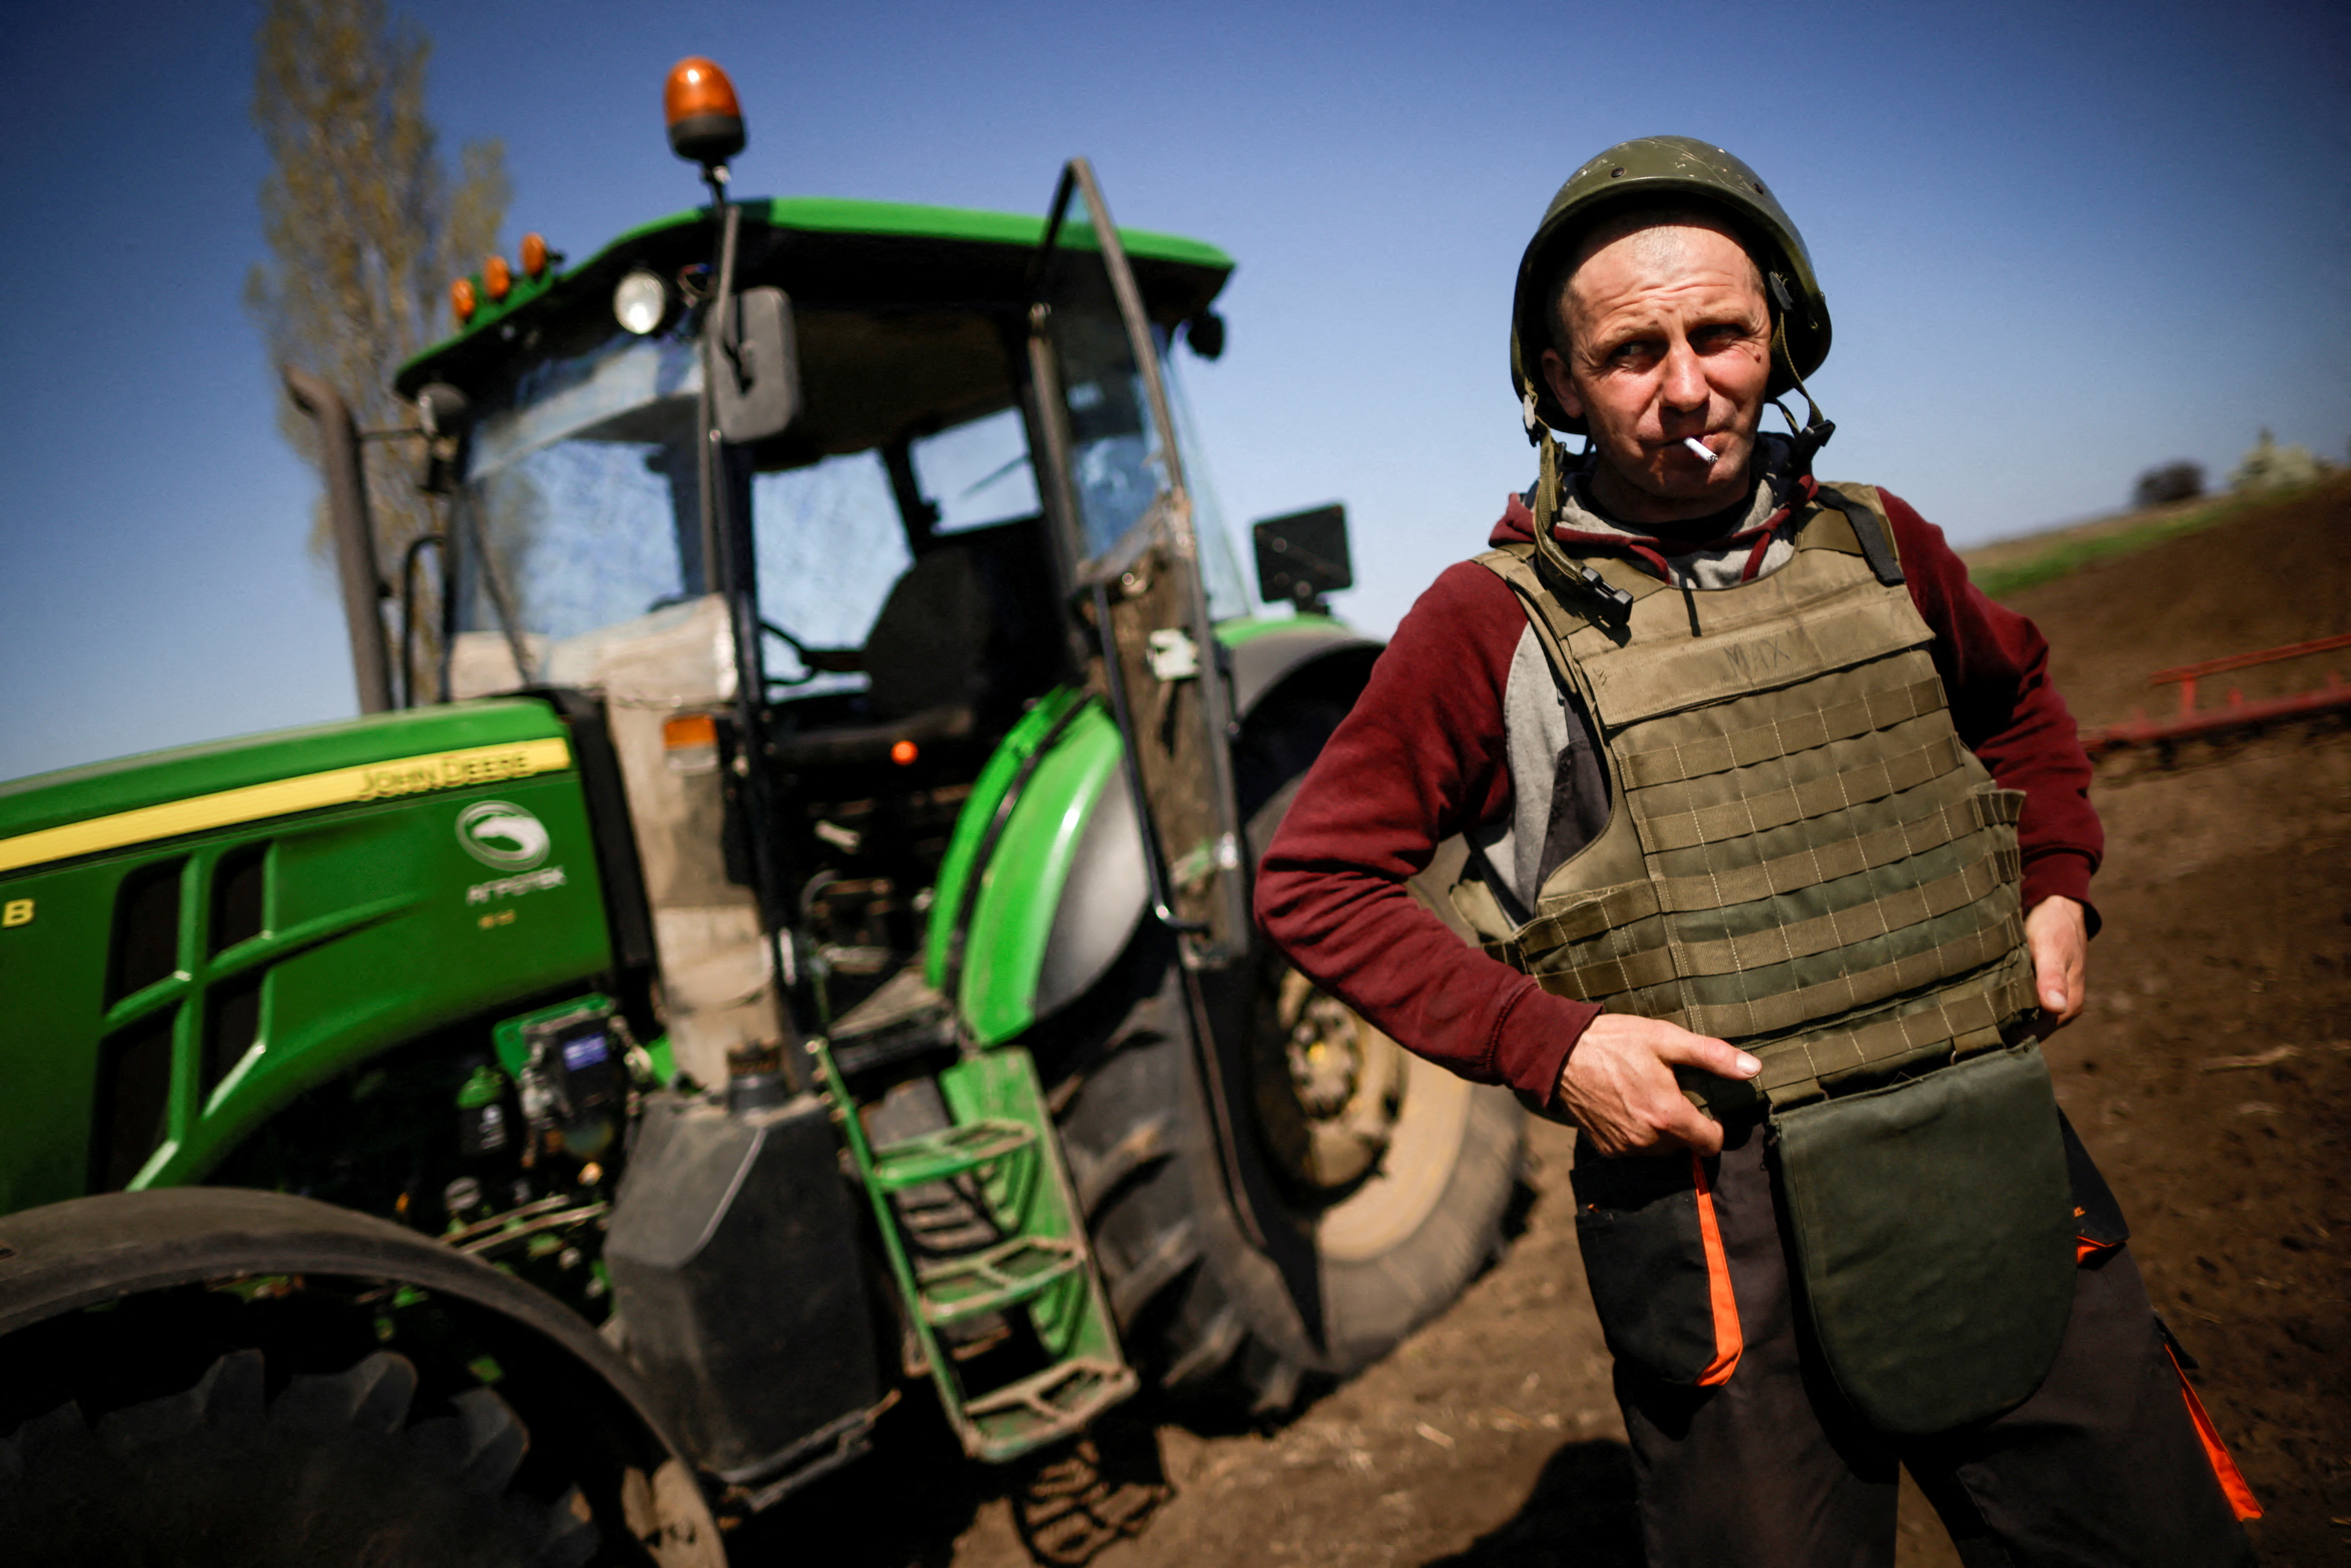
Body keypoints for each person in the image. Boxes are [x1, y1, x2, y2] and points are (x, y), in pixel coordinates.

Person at [1254, 136, 2258, 1566]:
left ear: (1775, 329)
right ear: (1554, 383)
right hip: (1717, 1228)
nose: (1686, 387)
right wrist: (1557, 1048)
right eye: (1629, 351)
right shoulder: (1486, 627)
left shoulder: (1879, 543)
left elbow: (2021, 708)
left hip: (1982, 1156)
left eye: (1718, 333)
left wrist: (2056, 882)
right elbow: (1314, 882)